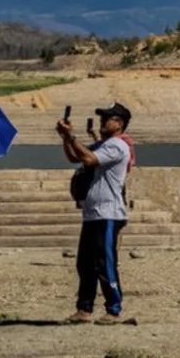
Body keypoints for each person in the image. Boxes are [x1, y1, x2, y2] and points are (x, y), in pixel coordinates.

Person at [57, 102, 132, 325]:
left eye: (107, 118)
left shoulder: (117, 146)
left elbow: (89, 159)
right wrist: (65, 137)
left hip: (108, 213)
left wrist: (71, 136)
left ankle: (114, 309)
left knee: (104, 263)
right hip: (93, 213)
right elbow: (75, 157)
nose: (102, 122)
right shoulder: (103, 145)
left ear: (118, 124)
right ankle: (84, 308)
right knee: (85, 264)